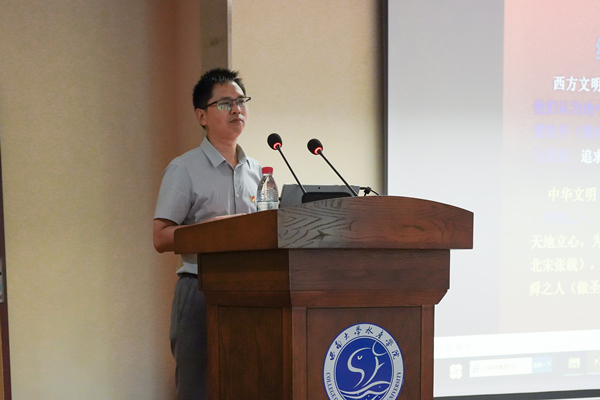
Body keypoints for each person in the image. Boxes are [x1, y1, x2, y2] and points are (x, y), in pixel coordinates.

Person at [153, 68, 262, 399]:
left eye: (241, 101)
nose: (236, 109)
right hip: (199, 288)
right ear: (202, 116)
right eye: (225, 103)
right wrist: (212, 232)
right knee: (197, 388)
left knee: (245, 384)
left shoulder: (258, 171)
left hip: (250, 291)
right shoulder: (183, 169)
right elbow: (160, 237)